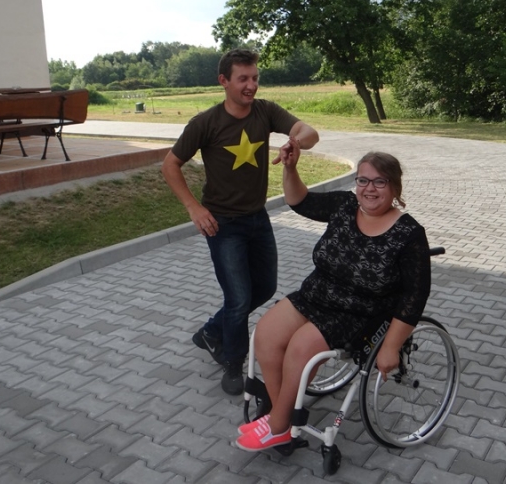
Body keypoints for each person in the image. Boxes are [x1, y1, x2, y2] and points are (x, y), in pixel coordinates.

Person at [235, 147, 431, 451]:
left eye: (379, 182)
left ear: (394, 186)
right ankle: (281, 410)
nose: (369, 189)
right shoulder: (345, 205)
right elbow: (300, 201)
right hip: (315, 294)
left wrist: (391, 346)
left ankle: (277, 426)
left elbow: (415, 295)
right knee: (265, 334)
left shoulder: (409, 233)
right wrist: (290, 168)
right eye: (363, 180)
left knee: (300, 348)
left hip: (358, 312)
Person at [162, 48, 319, 395]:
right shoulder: (205, 123)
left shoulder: (265, 111)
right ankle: (234, 363)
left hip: (258, 219)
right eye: (243, 79)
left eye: (255, 78)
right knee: (238, 298)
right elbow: (170, 165)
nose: (251, 85)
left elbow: (308, 132)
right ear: (224, 81)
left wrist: (295, 142)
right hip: (222, 225)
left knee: (264, 288)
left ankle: (211, 331)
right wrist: (193, 208)